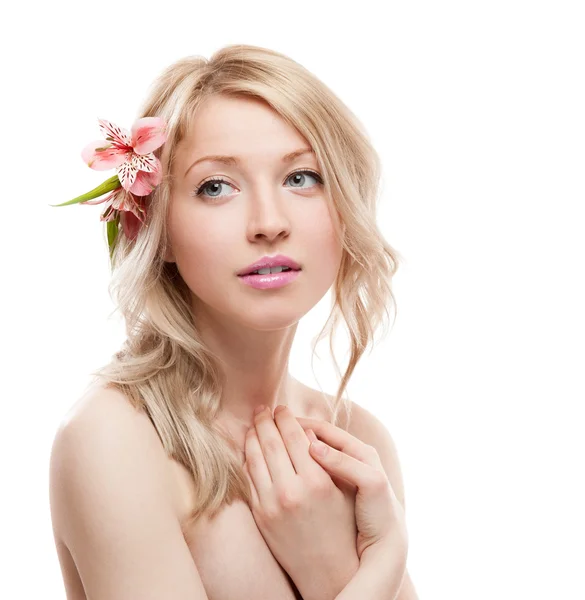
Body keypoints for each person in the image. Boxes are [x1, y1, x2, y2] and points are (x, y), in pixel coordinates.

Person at [48, 43, 418, 599]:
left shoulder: (358, 443)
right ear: (158, 228)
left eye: (302, 177)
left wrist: (327, 567)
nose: (269, 223)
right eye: (215, 186)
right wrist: (378, 562)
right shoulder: (115, 441)